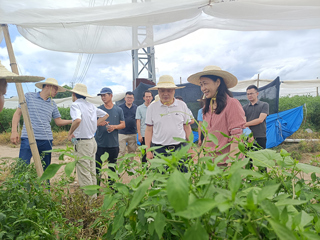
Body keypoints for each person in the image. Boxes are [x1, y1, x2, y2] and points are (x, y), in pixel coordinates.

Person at [187, 66, 246, 165]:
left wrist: (231, 165)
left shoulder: (232, 104)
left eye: (205, 83)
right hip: (210, 161)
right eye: (201, 85)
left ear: (217, 82)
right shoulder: (207, 107)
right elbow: (208, 135)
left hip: (226, 162)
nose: (203, 88)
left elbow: (237, 137)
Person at [10, 78, 72, 170]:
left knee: (45, 168)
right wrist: (14, 131)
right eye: (55, 89)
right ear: (47, 86)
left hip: (46, 140)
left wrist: (73, 121)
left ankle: (45, 184)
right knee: (22, 166)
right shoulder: (29, 96)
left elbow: (58, 121)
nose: (56, 92)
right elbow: (17, 114)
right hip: (28, 137)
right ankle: (23, 185)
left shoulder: (52, 104)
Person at [67, 83, 109, 188]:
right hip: (92, 141)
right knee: (91, 170)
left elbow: (77, 120)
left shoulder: (75, 105)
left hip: (82, 142)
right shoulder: (91, 106)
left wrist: (70, 133)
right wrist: (95, 124)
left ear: (74, 94)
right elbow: (105, 114)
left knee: (84, 172)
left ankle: (88, 200)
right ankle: (93, 197)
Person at [145, 75, 192, 164]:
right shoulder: (152, 107)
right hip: (159, 150)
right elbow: (148, 130)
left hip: (180, 149)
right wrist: (148, 150)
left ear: (174, 91)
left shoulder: (182, 105)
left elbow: (187, 128)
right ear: (158, 91)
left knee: (181, 175)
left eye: (169, 90)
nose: (165, 93)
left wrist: (190, 148)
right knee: (160, 176)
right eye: (162, 90)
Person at [95, 87, 125, 185]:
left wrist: (114, 127)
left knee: (112, 167)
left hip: (113, 144)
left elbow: (123, 124)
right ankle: (97, 189)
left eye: (105, 95)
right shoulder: (98, 110)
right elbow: (92, 124)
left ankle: (112, 187)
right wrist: (99, 123)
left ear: (111, 96)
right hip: (100, 143)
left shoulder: (118, 110)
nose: (103, 97)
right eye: (101, 96)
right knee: (97, 167)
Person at [243, 85, 269, 149]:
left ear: (257, 94)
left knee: (260, 157)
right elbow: (244, 120)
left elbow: (260, 120)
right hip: (248, 137)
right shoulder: (244, 107)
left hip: (260, 136)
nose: (249, 95)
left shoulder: (264, 105)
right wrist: (249, 135)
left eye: (251, 93)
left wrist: (245, 124)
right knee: (248, 158)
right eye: (248, 94)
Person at [136, 90, 153, 163]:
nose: (148, 98)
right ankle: (144, 170)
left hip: (154, 134)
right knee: (144, 153)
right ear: (144, 98)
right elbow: (138, 121)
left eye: (149, 96)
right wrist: (139, 134)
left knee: (154, 153)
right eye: (146, 97)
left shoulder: (154, 107)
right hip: (143, 134)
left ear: (152, 97)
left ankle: (153, 170)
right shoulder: (139, 108)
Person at [118, 92, 138, 158]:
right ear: (125, 98)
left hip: (133, 133)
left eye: (131, 98)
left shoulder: (136, 108)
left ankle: (130, 167)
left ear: (133, 99)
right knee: (121, 151)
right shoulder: (120, 108)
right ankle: (119, 167)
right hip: (122, 133)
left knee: (132, 151)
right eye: (128, 98)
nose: (129, 99)